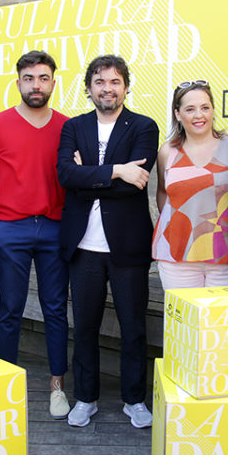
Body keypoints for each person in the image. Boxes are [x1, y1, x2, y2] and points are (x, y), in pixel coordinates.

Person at [0, 50, 71, 419]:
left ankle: (57, 387)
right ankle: (7, 388)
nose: (36, 85)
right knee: (9, 310)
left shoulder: (67, 126)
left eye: (43, 78)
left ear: (53, 83)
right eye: (29, 78)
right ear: (18, 83)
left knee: (56, 310)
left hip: (55, 230)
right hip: (11, 229)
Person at [57, 54, 158, 429]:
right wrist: (116, 171)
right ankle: (86, 397)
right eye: (100, 82)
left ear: (126, 87)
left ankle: (134, 399)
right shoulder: (73, 127)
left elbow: (138, 181)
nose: (107, 88)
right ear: (89, 89)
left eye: (115, 82)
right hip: (83, 247)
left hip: (127, 245)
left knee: (133, 326)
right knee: (84, 326)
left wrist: (89, 175)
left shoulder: (143, 126)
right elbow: (66, 175)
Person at [152, 80, 228, 289]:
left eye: (205, 107)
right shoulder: (167, 152)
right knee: (183, 322)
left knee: (222, 321)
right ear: (178, 114)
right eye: (190, 109)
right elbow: (163, 193)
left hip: (227, 256)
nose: (199, 115)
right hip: (176, 258)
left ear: (213, 110)